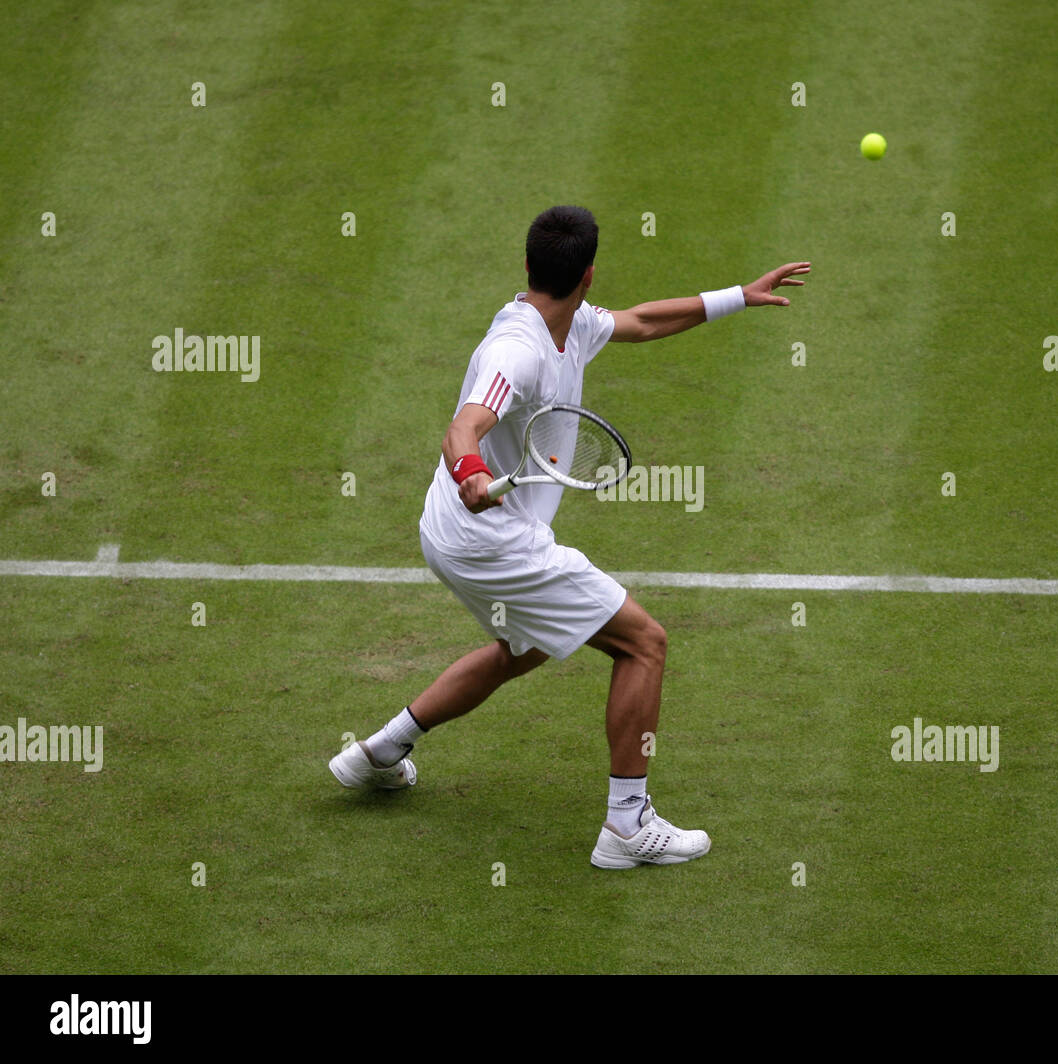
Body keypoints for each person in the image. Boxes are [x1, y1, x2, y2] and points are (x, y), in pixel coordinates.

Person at [330, 205, 809, 868]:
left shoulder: (573, 324)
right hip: (489, 537)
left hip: (450, 527)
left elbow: (642, 321)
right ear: (587, 274)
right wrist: (472, 472)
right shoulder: (517, 350)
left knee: (522, 650)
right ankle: (627, 827)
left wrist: (739, 297)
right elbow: (462, 430)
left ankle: (379, 751)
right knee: (644, 643)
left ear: (531, 269)